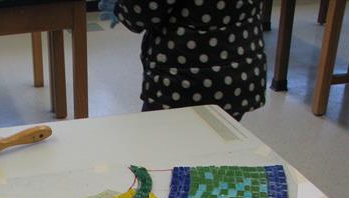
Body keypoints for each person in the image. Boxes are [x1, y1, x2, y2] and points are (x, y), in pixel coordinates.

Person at [109, 0, 266, 121]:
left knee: (160, 146)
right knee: (219, 142)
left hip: (184, 80)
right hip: (242, 71)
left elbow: (139, 14)